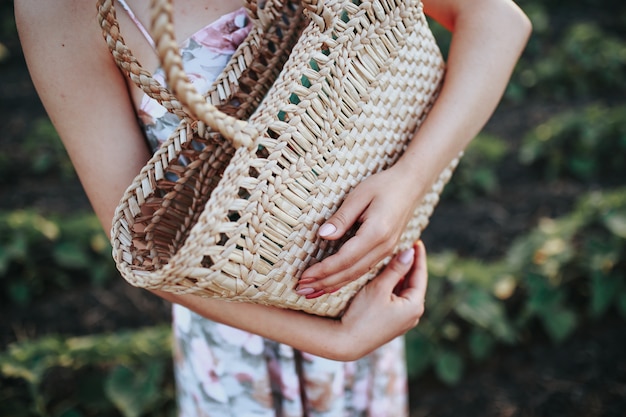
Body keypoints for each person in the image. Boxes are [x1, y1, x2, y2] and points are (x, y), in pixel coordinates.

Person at [15, 0, 530, 415]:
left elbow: (497, 20)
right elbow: (142, 248)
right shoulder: (60, 10)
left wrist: (409, 179)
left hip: (357, 291)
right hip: (235, 333)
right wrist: (338, 342)